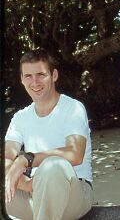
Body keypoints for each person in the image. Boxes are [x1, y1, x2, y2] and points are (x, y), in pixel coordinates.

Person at [4, 49, 93, 220]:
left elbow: (75, 154)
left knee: (52, 166)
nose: (34, 82)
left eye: (41, 74)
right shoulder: (20, 117)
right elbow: (7, 158)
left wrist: (26, 159)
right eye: (28, 76)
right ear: (22, 79)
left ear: (54, 75)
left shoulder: (72, 108)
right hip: (34, 193)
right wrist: (27, 184)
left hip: (73, 194)